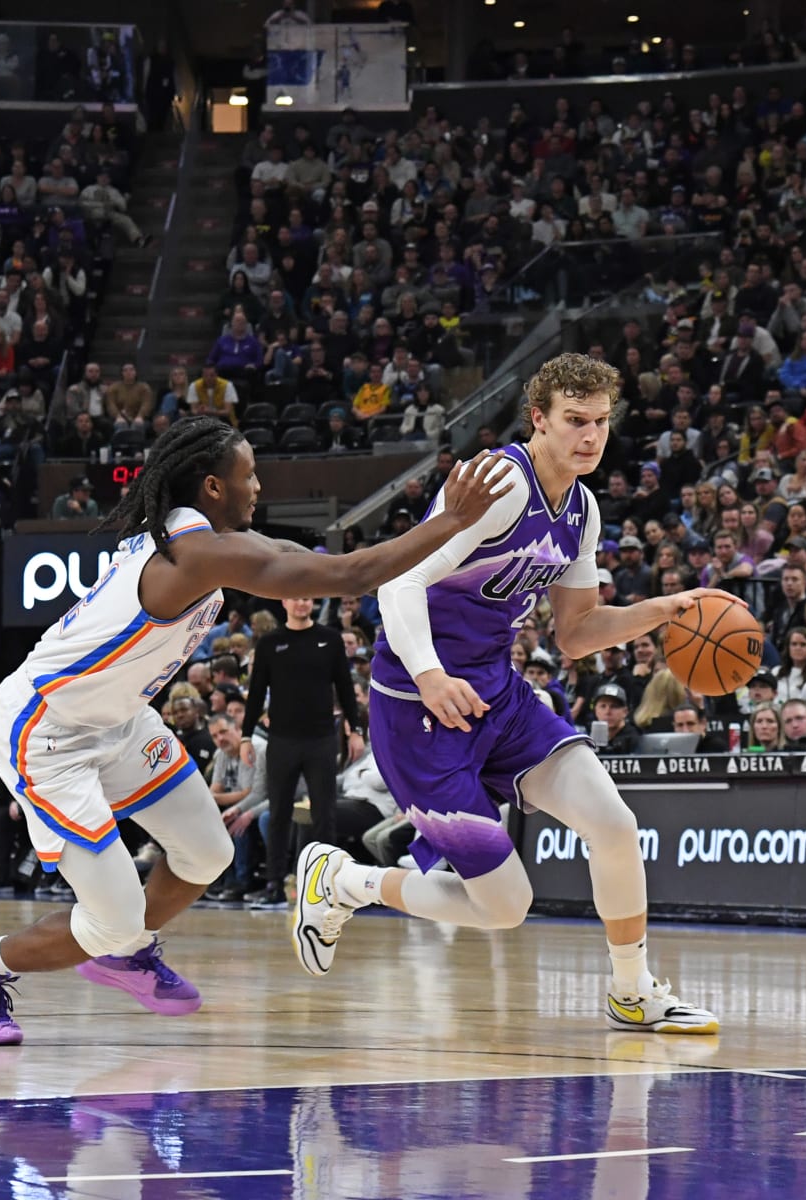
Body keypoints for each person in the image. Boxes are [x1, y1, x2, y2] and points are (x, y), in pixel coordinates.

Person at [0, 415, 513, 1045]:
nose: (257, 485)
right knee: (114, 917)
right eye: (248, 474)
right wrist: (451, 521)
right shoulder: (200, 553)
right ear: (210, 485)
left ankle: (121, 952)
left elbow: (314, 559)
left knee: (208, 852)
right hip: (44, 729)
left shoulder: (206, 537)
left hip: (118, 720)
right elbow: (348, 578)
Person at [290, 353, 722, 1034]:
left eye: (601, 422)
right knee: (503, 906)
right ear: (539, 420)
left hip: (498, 695)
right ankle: (344, 883)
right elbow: (397, 583)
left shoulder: (581, 509)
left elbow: (576, 634)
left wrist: (662, 609)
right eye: (574, 421)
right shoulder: (498, 483)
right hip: (418, 709)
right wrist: (430, 675)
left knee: (614, 826)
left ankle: (633, 990)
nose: (589, 436)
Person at [240, 596, 363, 908]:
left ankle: (323, 885)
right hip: (281, 739)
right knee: (279, 813)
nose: (301, 603)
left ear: (312, 602)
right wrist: (244, 736)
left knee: (325, 814)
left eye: (307, 598)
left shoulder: (330, 639)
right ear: (285, 601)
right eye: (296, 598)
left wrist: (355, 730)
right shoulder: (270, 643)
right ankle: (274, 885)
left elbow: (346, 687)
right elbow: (256, 693)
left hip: (322, 739)